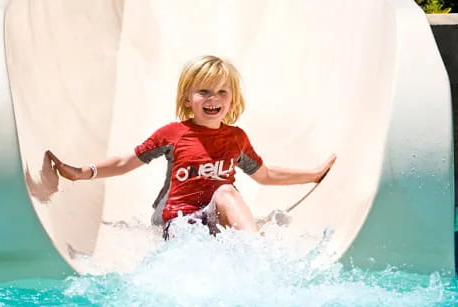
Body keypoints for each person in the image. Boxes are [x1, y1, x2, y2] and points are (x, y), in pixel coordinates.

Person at [47, 55, 336, 239]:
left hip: (215, 220)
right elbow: (126, 162)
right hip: (179, 223)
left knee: (225, 191)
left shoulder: (236, 138)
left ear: (232, 100)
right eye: (204, 92)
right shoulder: (174, 134)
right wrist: (84, 172)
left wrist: (313, 175)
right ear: (188, 99)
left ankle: (255, 254)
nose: (213, 99)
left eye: (222, 92)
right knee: (223, 193)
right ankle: (253, 250)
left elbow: (266, 175)